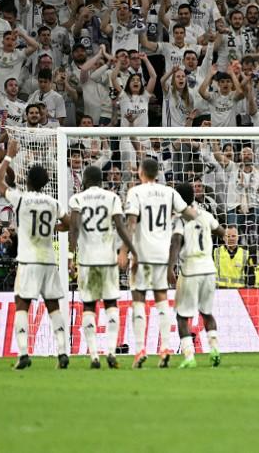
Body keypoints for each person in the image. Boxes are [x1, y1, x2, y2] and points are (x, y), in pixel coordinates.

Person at [0, 139, 70, 370]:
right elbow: (69, 223)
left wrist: (8, 156)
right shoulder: (53, 202)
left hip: (28, 260)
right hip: (48, 259)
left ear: (27, 180)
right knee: (53, 304)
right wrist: (56, 229)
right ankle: (63, 352)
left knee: (22, 304)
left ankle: (24, 353)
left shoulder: (21, 198)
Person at [123, 157, 196, 368]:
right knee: (162, 300)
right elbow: (189, 213)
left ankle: (139, 350)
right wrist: (195, 217)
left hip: (142, 253)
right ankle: (165, 348)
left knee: (138, 300)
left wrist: (129, 252)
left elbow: (131, 224)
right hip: (162, 255)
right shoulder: (169, 192)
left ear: (141, 172)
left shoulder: (135, 192)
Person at [68, 165, 136, 369]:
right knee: (111, 305)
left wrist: (70, 256)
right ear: (101, 181)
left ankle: (94, 356)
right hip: (107, 259)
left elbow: (74, 228)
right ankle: (111, 352)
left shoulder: (78, 199)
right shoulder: (112, 198)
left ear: (86, 181)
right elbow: (120, 227)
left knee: (89, 306)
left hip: (87, 261)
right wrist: (131, 250)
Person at [167, 182, 224, 369]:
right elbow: (221, 231)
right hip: (209, 268)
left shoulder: (180, 219)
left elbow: (176, 241)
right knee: (206, 312)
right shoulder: (205, 215)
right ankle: (214, 349)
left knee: (183, 316)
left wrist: (169, 268)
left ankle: (189, 356)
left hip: (190, 269)